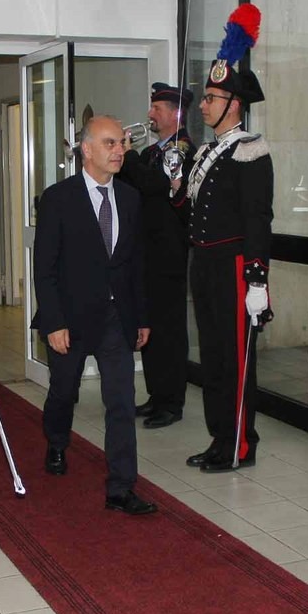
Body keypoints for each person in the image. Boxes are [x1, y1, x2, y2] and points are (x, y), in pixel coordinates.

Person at [32, 115, 155, 515]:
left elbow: (136, 265)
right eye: (109, 143)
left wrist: (141, 317)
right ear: (86, 150)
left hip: (116, 320)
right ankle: (56, 440)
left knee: (121, 400)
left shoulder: (132, 199)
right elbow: (45, 267)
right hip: (70, 319)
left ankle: (121, 487)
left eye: (121, 143)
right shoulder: (58, 198)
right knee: (63, 392)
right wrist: (52, 322)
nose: (119, 150)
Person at [182, 3, 274, 474]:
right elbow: (187, 208)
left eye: (212, 98)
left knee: (236, 363)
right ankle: (220, 438)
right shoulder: (207, 151)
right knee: (215, 360)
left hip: (236, 266)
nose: (203, 104)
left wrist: (258, 279)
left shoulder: (250, 148)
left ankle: (240, 444)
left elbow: (259, 219)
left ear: (234, 104)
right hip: (206, 265)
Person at [118, 83, 196, 429]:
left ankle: (172, 401)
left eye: (158, 109)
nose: (150, 115)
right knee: (148, 326)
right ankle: (156, 395)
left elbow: (154, 186)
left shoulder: (182, 151)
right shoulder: (153, 152)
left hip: (168, 254)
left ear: (176, 114)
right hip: (146, 253)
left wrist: (129, 154)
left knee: (169, 330)